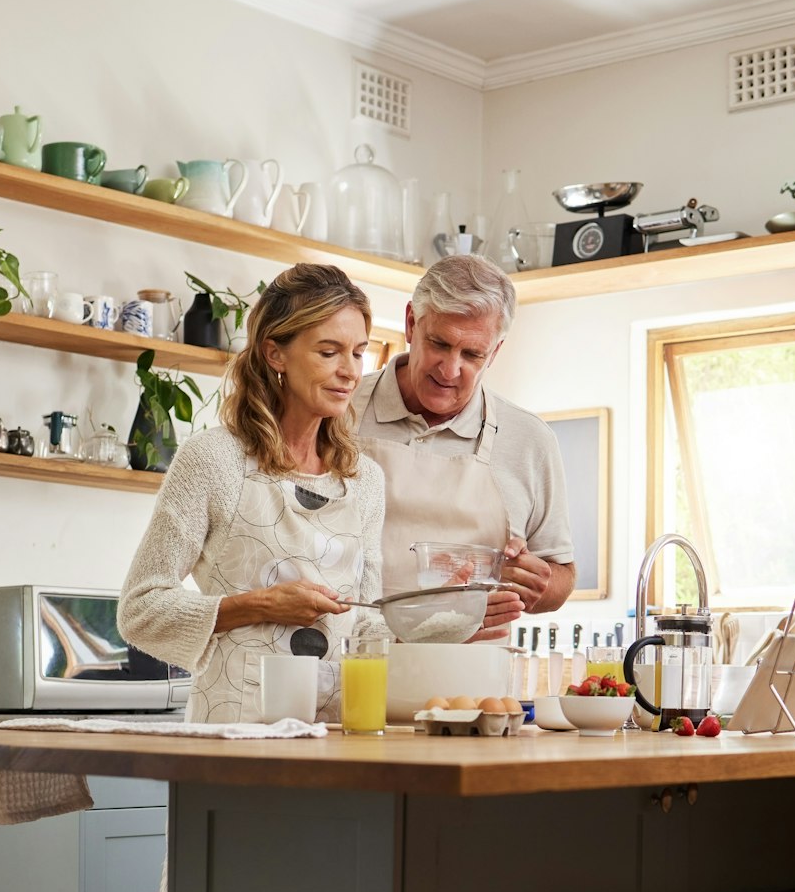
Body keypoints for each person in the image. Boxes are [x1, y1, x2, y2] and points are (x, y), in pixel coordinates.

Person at [119, 264, 386, 723]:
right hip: (233, 733)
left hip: (340, 736)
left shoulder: (363, 479)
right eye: (329, 352)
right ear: (274, 353)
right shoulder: (214, 460)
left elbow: (368, 622)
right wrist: (261, 605)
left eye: (359, 354)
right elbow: (140, 609)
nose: (349, 372)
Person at [353, 253, 575, 640]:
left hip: (471, 684)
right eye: (439, 343)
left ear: (495, 351)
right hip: (353, 671)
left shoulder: (529, 440)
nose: (450, 369)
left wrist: (536, 583)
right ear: (410, 323)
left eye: (472, 354)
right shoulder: (339, 412)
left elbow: (561, 579)